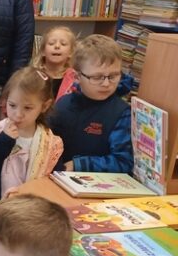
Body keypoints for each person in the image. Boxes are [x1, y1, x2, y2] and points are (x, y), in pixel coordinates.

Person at [0, 66, 64, 211]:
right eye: (12, 105)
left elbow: (53, 182)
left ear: (44, 106)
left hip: (28, 213)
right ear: (4, 100)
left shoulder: (50, 144)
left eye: (28, 108)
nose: (18, 114)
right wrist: (3, 142)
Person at [49, 34, 134, 173]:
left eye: (113, 76)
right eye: (97, 77)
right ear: (77, 77)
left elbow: (123, 162)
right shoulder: (63, 104)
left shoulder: (122, 113)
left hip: (98, 186)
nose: (106, 84)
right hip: (58, 178)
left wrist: (79, 165)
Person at [33, 26, 77, 100]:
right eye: (51, 43)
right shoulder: (33, 76)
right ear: (43, 51)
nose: (57, 46)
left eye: (63, 44)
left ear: (71, 52)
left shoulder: (75, 79)